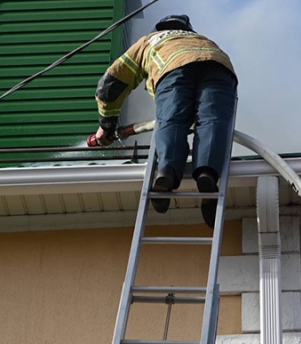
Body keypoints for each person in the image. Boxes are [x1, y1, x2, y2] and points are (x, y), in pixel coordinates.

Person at [90, 15, 238, 228]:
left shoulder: (149, 40)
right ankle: (207, 172)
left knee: (172, 120)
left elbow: (112, 83)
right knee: (212, 120)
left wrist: (106, 124)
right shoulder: (202, 40)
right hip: (220, 67)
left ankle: (167, 172)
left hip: (173, 69)